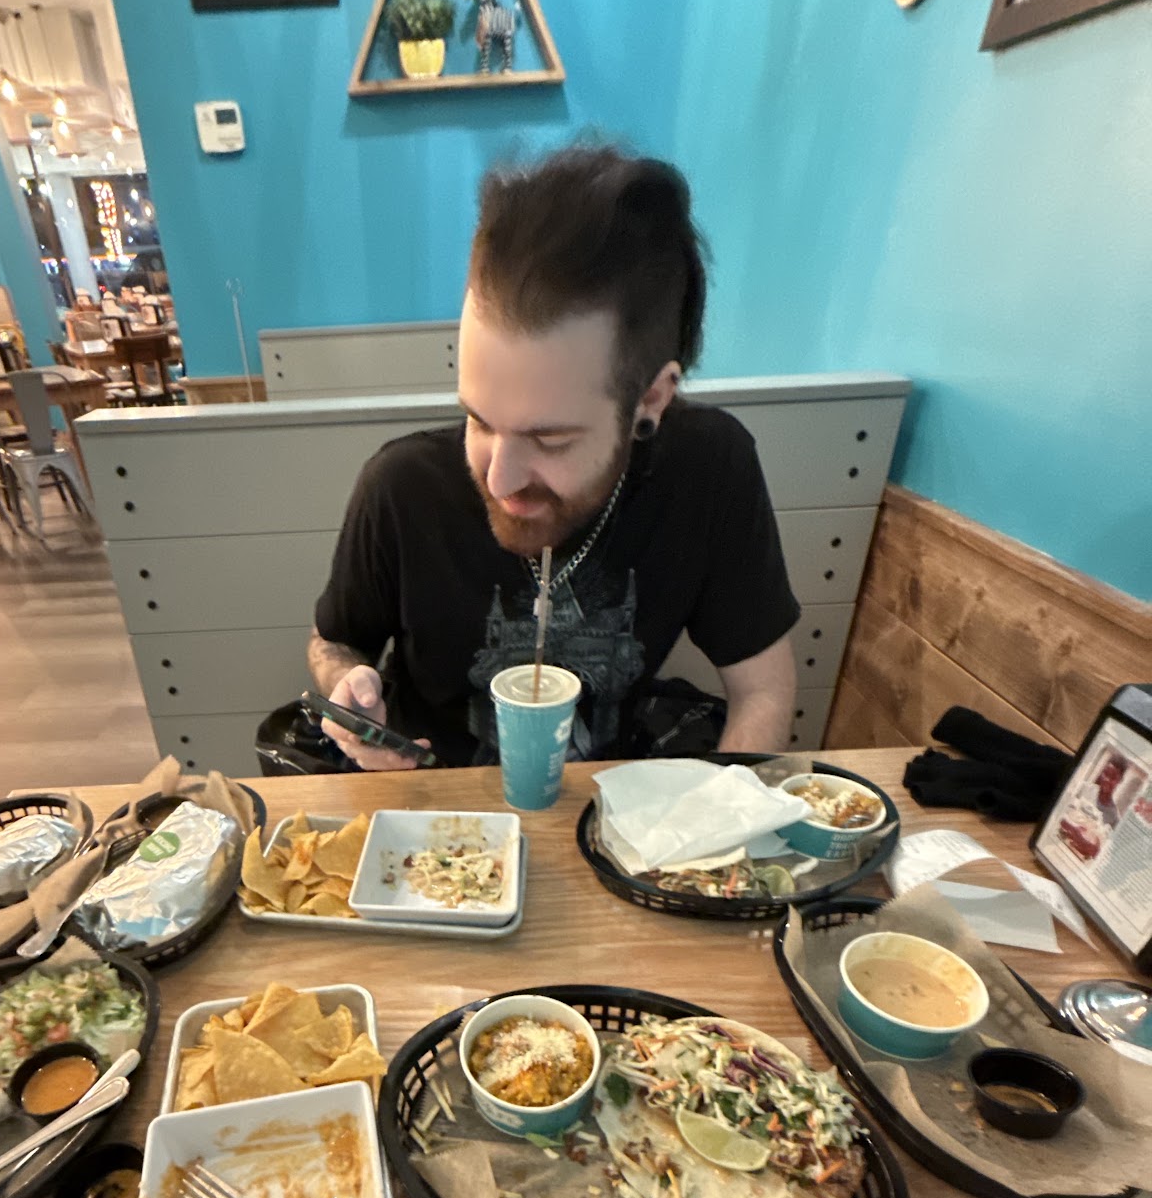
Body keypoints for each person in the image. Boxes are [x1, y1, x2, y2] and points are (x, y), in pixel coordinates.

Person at [308, 144, 800, 771]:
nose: (499, 478)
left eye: (550, 439)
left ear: (651, 399)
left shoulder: (710, 468)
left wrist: (724, 817)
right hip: (433, 801)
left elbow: (763, 688)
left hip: (615, 798)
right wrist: (347, 687)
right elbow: (333, 641)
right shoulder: (400, 485)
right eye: (479, 420)